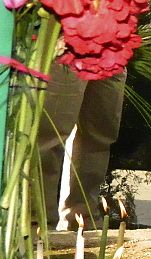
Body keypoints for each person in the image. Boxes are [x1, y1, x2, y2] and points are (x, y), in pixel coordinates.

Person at [38, 67, 126, 229]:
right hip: (66, 50)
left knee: (99, 136)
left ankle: (82, 220)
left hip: (113, 47)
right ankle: (36, 225)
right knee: (49, 137)